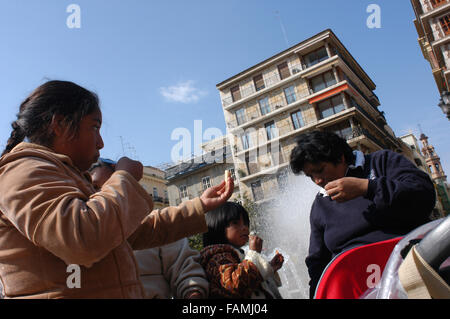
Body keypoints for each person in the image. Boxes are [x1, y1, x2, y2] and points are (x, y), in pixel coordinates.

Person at [0, 80, 233, 298]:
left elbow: (134, 231)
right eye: (94, 127)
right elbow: (83, 239)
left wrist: (199, 206)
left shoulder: (63, 175)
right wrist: (125, 177)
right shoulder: (23, 172)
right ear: (59, 124)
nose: (101, 142)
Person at [289, 130, 436, 298]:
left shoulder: (381, 162)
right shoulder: (320, 205)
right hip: (361, 290)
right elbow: (317, 263)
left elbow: (423, 194)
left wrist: (368, 188)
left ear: (340, 158)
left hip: (414, 275)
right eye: (310, 176)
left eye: (320, 170)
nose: (317, 181)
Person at [89, 158, 209, 299]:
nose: (105, 195)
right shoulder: (83, 238)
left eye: (114, 186)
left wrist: (193, 292)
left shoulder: (156, 227)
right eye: (96, 188)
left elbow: (185, 270)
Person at [199, 201, 284, 299]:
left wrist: (270, 267)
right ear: (217, 225)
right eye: (236, 223)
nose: (244, 228)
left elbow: (252, 280)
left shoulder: (238, 254)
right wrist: (254, 254)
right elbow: (233, 285)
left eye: (245, 223)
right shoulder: (216, 257)